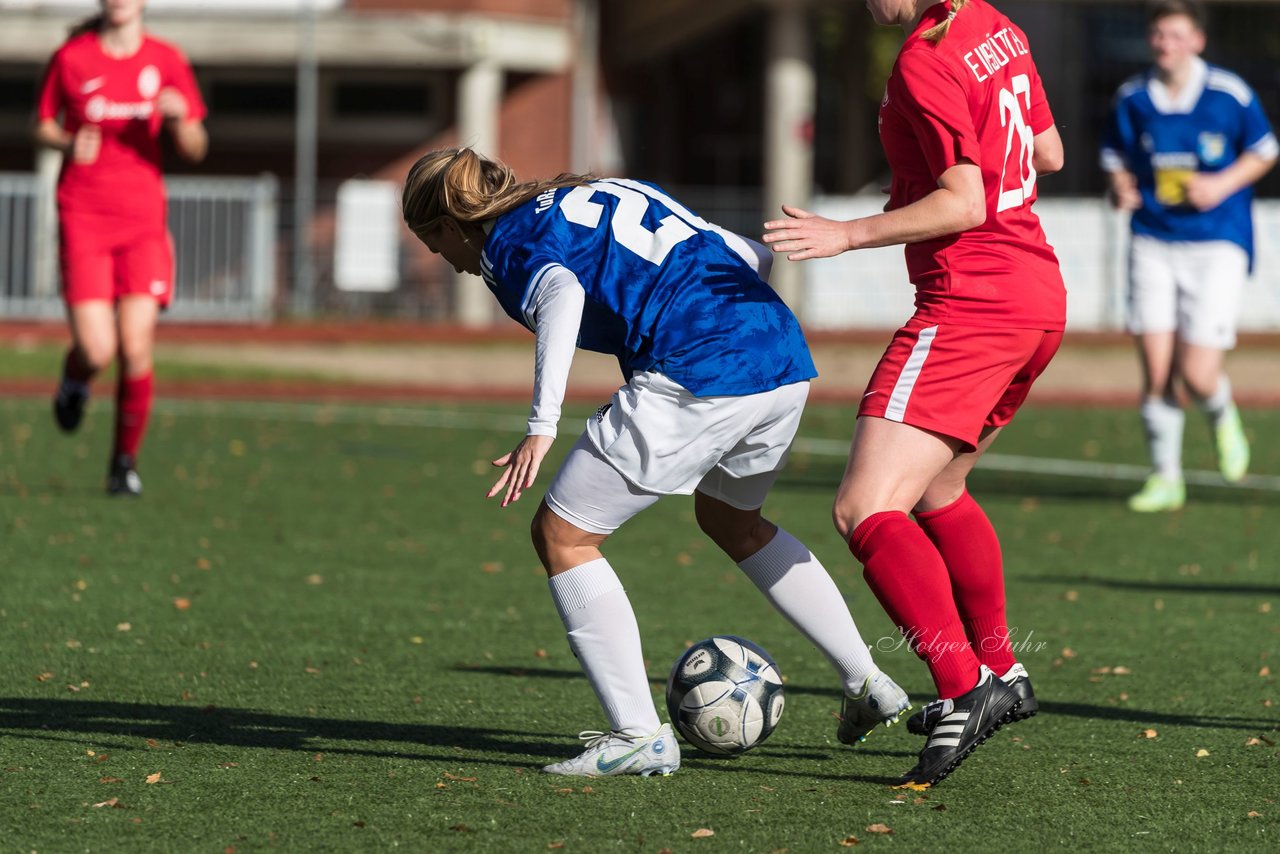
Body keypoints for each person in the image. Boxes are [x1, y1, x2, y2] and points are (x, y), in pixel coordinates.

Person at [402, 147, 911, 778]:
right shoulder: (596, 188)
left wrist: (541, 427)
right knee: (732, 519)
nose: (441, 260)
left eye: (432, 242)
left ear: (452, 224)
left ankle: (637, 735)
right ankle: (866, 681)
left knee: (562, 536)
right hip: (778, 355)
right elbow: (753, 255)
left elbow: (559, 294)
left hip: (701, 369)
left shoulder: (510, 242)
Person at [763, 0, 1064, 789]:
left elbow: (966, 202)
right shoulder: (997, 23)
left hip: (974, 301)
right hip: (1036, 294)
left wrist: (846, 233)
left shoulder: (924, 57)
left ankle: (963, 688)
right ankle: (1002, 670)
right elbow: (1050, 151)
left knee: (864, 510)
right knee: (940, 487)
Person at [1100, 0, 1277, 513]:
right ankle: (1166, 477)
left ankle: (1221, 414)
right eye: (1158, 35)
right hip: (1152, 240)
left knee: (1197, 373)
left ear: (1197, 41)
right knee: (1156, 371)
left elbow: (1264, 150)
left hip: (1217, 240)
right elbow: (1116, 161)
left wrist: (1221, 183)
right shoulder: (1133, 98)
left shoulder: (1228, 93)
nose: (1166, 45)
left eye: (1176, 35)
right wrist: (1120, 190)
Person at [35, 0, 208, 496]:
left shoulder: (168, 60)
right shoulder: (71, 57)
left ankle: (122, 464)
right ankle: (74, 379)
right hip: (83, 216)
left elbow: (197, 146)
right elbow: (42, 123)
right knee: (97, 349)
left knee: (135, 346)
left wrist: (180, 122)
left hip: (142, 223)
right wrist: (67, 144)